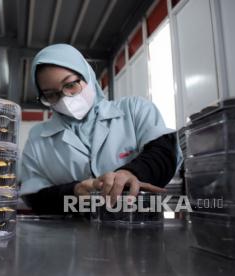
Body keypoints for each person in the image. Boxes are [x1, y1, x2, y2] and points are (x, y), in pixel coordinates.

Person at [20, 44, 182, 214]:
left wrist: (131, 173)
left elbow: (164, 152)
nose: (64, 99)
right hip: (73, 234)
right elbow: (33, 195)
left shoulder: (134, 110)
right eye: (51, 94)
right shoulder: (38, 138)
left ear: (87, 76)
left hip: (140, 225)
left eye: (70, 85)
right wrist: (74, 191)